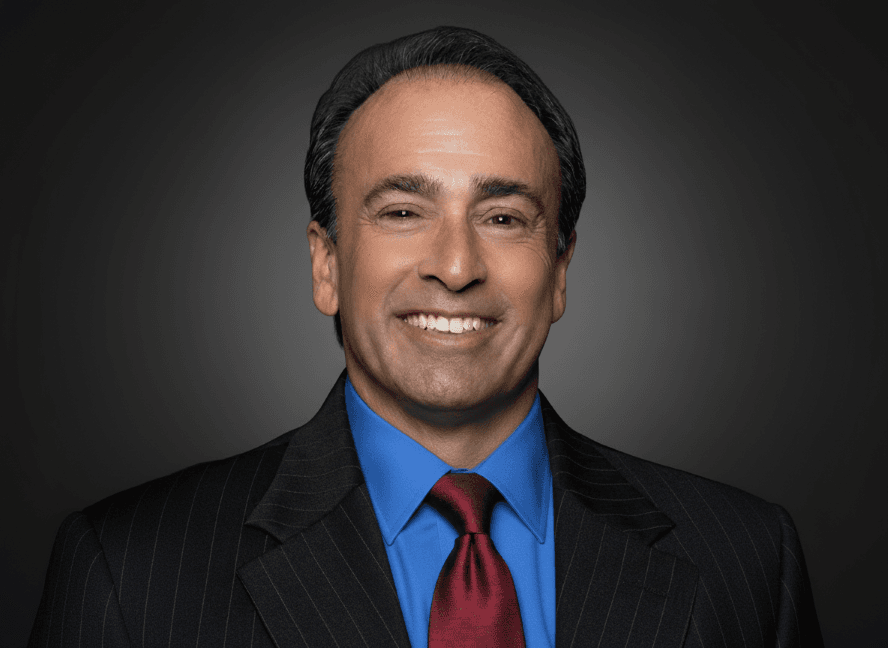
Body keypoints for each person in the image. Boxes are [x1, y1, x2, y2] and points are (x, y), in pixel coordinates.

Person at [28, 26, 823, 647]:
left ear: (561, 271)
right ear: (328, 264)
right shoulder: (129, 572)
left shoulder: (747, 561)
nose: (454, 265)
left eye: (504, 217)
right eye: (403, 211)